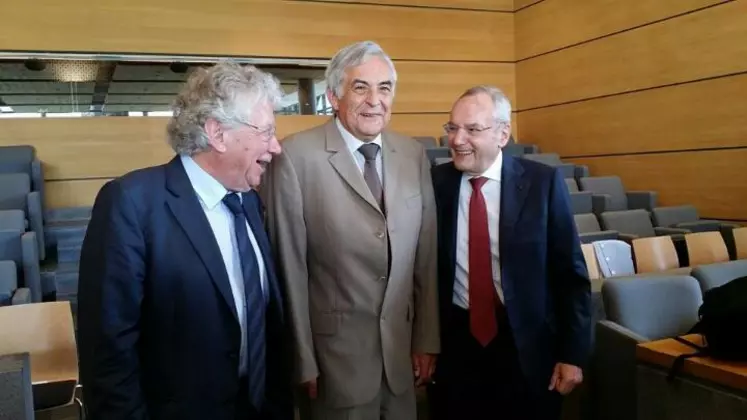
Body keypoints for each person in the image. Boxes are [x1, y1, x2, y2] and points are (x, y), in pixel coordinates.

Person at [77, 61, 293, 420]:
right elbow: (109, 353)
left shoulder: (250, 201)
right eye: (266, 132)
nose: (276, 147)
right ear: (218, 133)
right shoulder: (131, 203)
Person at [260, 40, 440, 420]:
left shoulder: (413, 155)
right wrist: (302, 359)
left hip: (401, 359)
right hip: (333, 365)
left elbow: (424, 259)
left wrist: (426, 340)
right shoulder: (294, 157)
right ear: (334, 96)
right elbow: (288, 269)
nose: (374, 100)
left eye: (385, 88)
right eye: (361, 87)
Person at [428, 85, 592, 420]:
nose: (457, 140)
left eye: (472, 129)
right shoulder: (434, 182)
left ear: (503, 134)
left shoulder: (542, 184)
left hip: (528, 348)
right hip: (457, 345)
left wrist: (572, 354)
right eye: (452, 128)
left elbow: (570, 275)